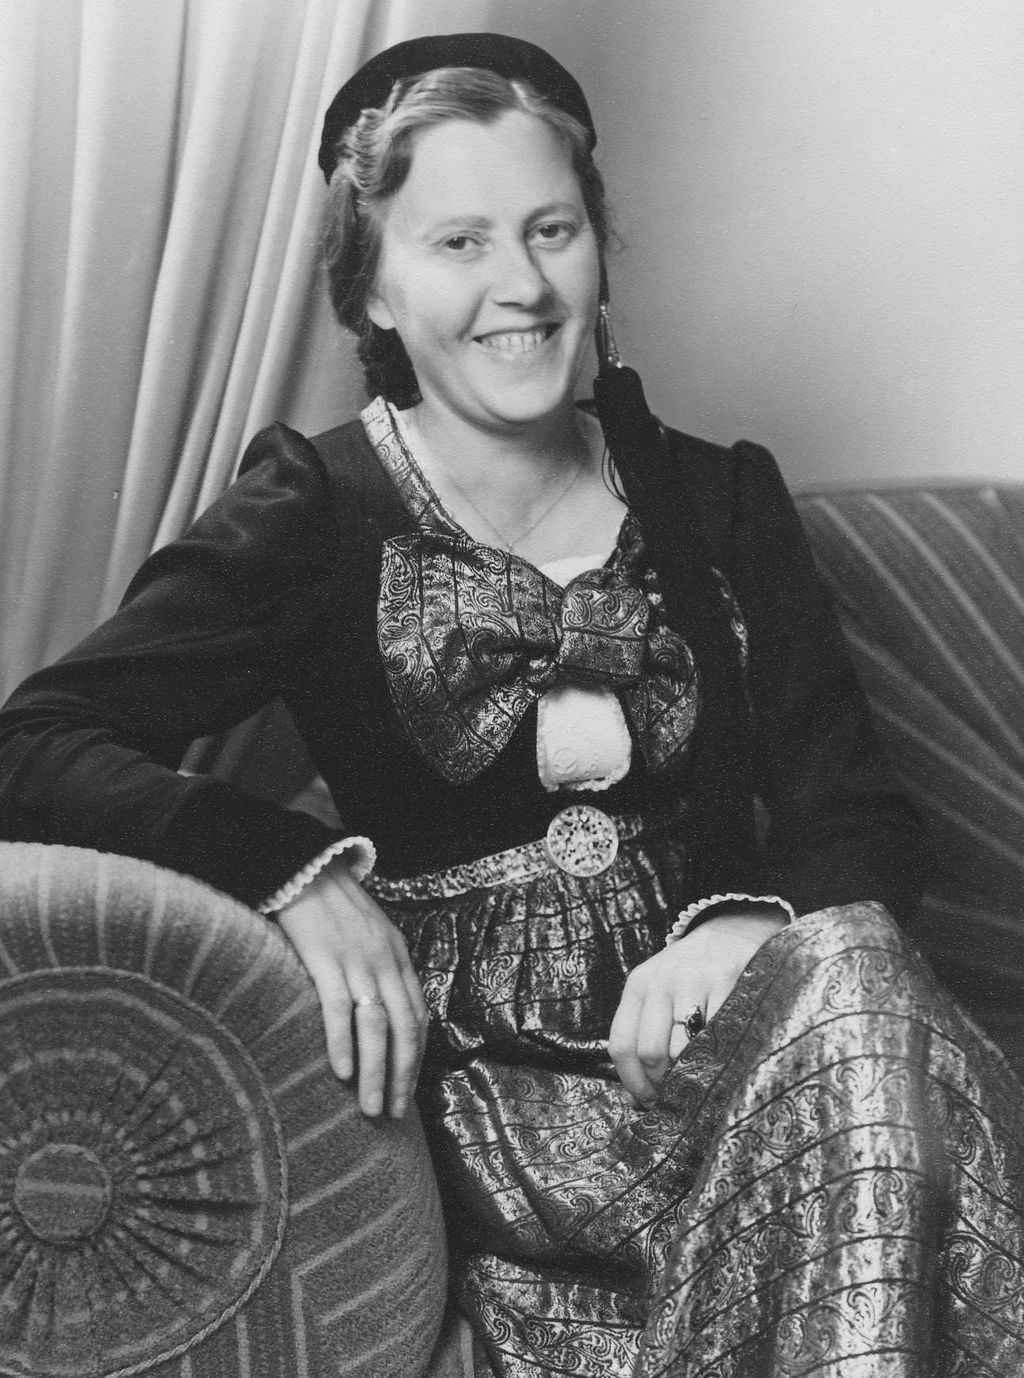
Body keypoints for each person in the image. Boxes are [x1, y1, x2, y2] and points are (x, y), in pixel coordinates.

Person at [1, 31, 1023, 1378]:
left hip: (749, 1038)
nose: (523, 285)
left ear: (598, 250)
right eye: (459, 243)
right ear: (371, 289)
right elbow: (32, 743)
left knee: (858, 967)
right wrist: (292, 872)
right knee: (870, 1027)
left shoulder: (717, 494)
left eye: (552, 230)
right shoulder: (315, 510)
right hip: (514, 1096)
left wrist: (744, 923)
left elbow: (860, 816)